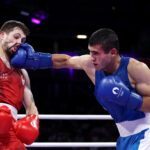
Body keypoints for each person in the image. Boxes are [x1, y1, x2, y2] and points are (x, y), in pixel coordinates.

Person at [11, 28, 150, 150]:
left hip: (146, 132)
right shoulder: (89, 64)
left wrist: (128, 98)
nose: (92, 57)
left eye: (96, 53)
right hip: (125, 137)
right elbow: (65, 61)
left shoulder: (136, 68)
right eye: (90, 52)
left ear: (113, 52)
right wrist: (34, 59)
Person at [0, 20, 39, 150]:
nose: (19, 43)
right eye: (16, 37)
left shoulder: (22, 72)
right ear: (2, 35)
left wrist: (33, 122)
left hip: (9, 132)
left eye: (22, 40)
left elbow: (31, 105)